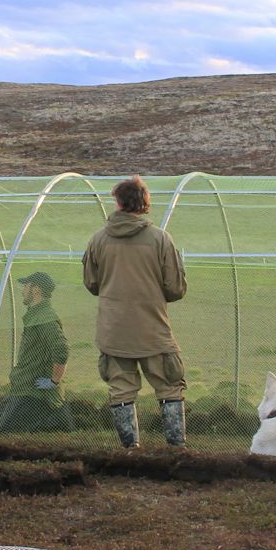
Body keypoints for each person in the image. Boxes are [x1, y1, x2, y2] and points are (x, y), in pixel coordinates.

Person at [82, 176, 187, 448]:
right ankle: (177, 451)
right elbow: (175, 288)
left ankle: (130, 452)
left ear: (118, 202)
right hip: (153, 330)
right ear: (145, 203)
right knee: (170, 386)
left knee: (121, 390)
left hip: (114, 332)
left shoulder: (98, 240)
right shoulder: (161, 239)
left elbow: (92, 284)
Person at [0, 270, 72, 432]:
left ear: (36, 289)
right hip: (23, 387)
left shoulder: (45, 317)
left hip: (35, 393)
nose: (22, 290)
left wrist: (54, 381)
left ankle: (54, 420)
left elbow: (62, 348)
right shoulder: (35, 315)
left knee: (4, 432)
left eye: (26, 286)